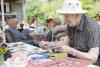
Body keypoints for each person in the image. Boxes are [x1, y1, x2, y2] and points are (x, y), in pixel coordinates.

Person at [40, 0, 100, 66]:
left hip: (90, 64)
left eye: (67, 15)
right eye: (64, 15)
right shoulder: (71, 25)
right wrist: (48, 44)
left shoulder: (92, 28)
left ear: (77, 14)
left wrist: (72, 51)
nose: (64, 19)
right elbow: (64, 44)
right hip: (73, 61)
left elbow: (93, 58)